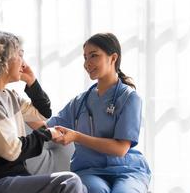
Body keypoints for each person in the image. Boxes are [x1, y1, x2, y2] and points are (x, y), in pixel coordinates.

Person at [0, 31, 86, 193]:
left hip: (16, 178)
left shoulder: (10, 96)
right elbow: (12, 150)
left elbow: (43, 115)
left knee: (81, 187)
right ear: (2, 58)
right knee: (69, 182)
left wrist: (32, 81)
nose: (24, 63)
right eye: (19, 55)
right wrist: (48, 134)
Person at [47, 33, 151, 193]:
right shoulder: (79, 102)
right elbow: (46, 125)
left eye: (94, 56)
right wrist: (30, 86)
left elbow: (121, 149)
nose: (87, 63)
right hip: (89, 170)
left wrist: (77, 136)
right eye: (85, 57)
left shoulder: (130, 98)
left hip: (128, 170)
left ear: (113, 58)